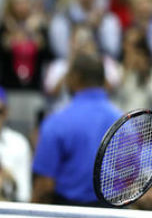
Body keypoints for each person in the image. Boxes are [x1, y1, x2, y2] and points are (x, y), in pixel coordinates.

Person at [31, 52, 121, 205]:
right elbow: (132, 178)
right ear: (103, 80)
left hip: (67, 211)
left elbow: (44, 187)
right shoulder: (125, 123)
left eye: (68, 74)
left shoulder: (56, 122)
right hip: (113, 211)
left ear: (76, 77)